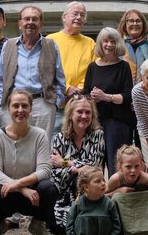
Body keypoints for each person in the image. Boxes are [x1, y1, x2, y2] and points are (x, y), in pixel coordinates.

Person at [0, 89, 64, 235]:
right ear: (8, 108)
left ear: (30, 108)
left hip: (33, 196)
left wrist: (20, 184)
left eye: (25, 106)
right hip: (7, 193)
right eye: (16, 106)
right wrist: (21, 189)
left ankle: (38, 223)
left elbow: (45, 169)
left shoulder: (40, 135)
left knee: (49, 188)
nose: (20, 110)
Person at [0, 5, 67, 135]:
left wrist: (54, 104)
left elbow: (60, 79)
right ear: (20, 23)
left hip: (42, 105)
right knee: (13, 146)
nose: (30, 22)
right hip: (13, 104)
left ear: (40, 24)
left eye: (35, 19)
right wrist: (1, 103)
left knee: (41, 146)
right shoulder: (9, 45)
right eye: (26, 19)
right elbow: (0, 78)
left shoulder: (51, 45)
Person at [83, 27, 135, 175]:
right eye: (106, 41)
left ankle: (118, 195)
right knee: (94, 165)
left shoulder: (123, 66)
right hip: (95, 122)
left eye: (113, 41)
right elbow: (86, 92)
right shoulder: (92, 67)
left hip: (118, 122)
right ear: (100, 43)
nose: (109, 45)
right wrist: (91, 96)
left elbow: (127, 96)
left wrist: (106, 97)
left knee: (116, 165)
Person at [51, 97, 106, 226]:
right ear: (70, 114)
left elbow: (95, 168)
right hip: (63, 194)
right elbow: (56, 175)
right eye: (80, 112)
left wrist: (66, 163)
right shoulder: (59, 138)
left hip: (89, 192)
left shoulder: (98, 135)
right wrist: (79, 168)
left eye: (88, 112)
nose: (84, 116)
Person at [48, 2, 96, 99]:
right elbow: (46, 70)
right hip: (56, 100)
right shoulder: (50, 40)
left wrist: (80, 88)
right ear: (64, 17)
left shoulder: (90, 43)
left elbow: (95, 70)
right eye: (75, 14)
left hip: (81, 100)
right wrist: (66, 88)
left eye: (82, 15)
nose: (78, 17)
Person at [66, 168, 122, 235]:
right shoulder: (77, 204)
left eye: (103, 180)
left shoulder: (109, 204)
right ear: (86, 187)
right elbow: (69, 227)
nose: (103, 183)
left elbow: (116, 226)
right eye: (98, 181)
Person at [118, 9, 148, 79]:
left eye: (138, 21)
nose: (135, 24)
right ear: (125, 25)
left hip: (147, 88)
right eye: (131, 21)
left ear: (143, 25)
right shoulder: (118, 48)